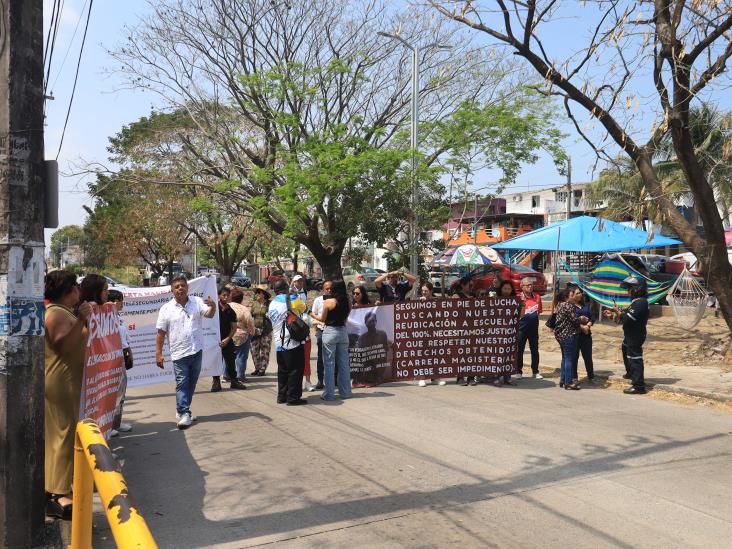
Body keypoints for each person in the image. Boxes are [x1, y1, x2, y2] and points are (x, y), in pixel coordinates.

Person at [44, 270, 92, 520]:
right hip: (60, 380)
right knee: (62, 434)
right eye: (75, 287)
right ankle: (56, 493)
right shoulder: (55, 314)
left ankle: (61, 486)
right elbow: (63, 345)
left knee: (67, 431)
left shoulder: (64, 312)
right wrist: (82, 321)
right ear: (67, 291)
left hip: (68, 380)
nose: (79, 291)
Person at [155, 276, 216, 428]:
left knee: (192, 383)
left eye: (183, 285)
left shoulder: (196, 302)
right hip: (178, 352)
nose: (180, 288)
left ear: (187, 288)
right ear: (172, 290)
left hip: (196, 350)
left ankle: (183, 410)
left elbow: (209, 314)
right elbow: (160, 333)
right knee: (182, 383)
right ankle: (184, 413)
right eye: (177, 287)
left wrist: (213, 306)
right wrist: (159, 353)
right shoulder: (166, 309)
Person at [604, 276, 649, 395]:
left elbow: (628, 319)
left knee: (635, 358)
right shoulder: (636, 302)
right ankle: (631, 373)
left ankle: (639, 385)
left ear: (637, 289)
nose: (628, 291)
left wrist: (618, 312)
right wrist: (614, 313)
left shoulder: (641, 303)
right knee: (625, 349)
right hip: (630, 334)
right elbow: (625, 316)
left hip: (636, 335)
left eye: (630, 288)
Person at [310, 279, 353, 401]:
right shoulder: (348, 301)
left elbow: (322, 319)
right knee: (344, 364)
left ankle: (329, 394)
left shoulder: (329, 301)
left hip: (330, 331)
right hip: (343, 331)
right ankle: (345, 392)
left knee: (329, 364)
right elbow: (346, 316)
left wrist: (311, 314)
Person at [268, 280, 308, 405]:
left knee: (283, 371)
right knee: (295, 370)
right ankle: (293, 398)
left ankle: (282, 396)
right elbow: (304, 308)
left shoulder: (272, 303)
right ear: (286, 289)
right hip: (292, 342)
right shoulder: (291, 298)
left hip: (279, 343)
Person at [211, 285, 247, 392]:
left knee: (231, 361)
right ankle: (216, 382)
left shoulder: (231, 311)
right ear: (219, 296)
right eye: (224, 295)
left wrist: (227, 339)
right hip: (215, 341)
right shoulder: (214, 309)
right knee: (216, 362)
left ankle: (234, 381)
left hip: (227, 340)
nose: (226, 297)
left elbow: (234, 327)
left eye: (228, 295)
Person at [108, 289, 133, 437]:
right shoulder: (107, 317)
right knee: (113, 391)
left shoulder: (119, 316)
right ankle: (109, 425)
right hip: (112, 357)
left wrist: (130, 351)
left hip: (122, 355)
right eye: (121, 300)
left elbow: (124, 337)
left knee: (121, 391)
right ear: (116, 301)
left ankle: (117, 423)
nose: (122, 303)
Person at [491, 280, 520, 387]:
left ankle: (507, 377)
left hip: (510, 333)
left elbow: (520, 316)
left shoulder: (515, 302)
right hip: (497, 333)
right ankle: (496, 377)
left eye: (509, 289)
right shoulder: (495, 300)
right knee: (497, 354)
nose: (507, 291)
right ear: (501, 289)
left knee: (508, 355)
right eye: (505, 288)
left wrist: (523, 305)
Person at [418, 282, 446, 387]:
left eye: (426, 290)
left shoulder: (436, 301)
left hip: (434, 332)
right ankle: (422, 377)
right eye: (423, 290)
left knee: (435, 355)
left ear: (431, 291)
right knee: (423, 355)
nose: (424, 292)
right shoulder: (419, 301)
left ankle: (435, 377)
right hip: (422, 333)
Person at [553, 289, 581, 390]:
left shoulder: (560, 305)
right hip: (568, 335)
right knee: (569, 358)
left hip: (560, 335)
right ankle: (568, 382)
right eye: (572, 295)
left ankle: (563, 380)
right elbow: (575, 320)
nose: (573, 296)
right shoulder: (568, 306)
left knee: (565, 358)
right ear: (566, 297)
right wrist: (581, 319)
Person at [291, 274, 315, 392]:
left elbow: (306, 309)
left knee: (306, 357)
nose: (299, 283)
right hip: (293, 326)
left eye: (301, 281)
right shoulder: (290, 294)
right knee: (294, 359)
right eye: (297, 281)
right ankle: (296, 383)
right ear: (293, 282)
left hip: (304, 326)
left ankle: (308, 381)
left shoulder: (304, 292)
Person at [516, 278, 542, 380]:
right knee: (520, 350)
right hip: (521, 328)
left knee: (535, 350)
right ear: (522, 287)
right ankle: (518, 371)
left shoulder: (537, 297)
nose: (530, 286)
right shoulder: (518, 297)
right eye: (527, 285)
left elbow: (538, 312)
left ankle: (535, 371)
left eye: (531, 285)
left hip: (533, 328)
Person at [452, 277, 476, 385]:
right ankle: (460, 377)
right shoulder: (456, 296)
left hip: (472, 329)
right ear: (462, 285)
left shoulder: (474, 296)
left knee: (472, 354)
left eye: (472, 285)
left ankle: (471, 377)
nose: (471, 287)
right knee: (461, 354)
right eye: (469, 285)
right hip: (460, 329)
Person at [228, 287, 255, 382]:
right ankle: (240, 376)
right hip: (242, 335)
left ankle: (226, 375)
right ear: (241, 298)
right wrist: (252, 333)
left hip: (227, 335)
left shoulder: (226, 306)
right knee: (241, 356)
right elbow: (250, 322)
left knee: (227, 356)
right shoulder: (244, 309)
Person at [311, 279, 333, 390]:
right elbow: (313, 314)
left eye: (330, 289)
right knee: (321, 356)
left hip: (333, 330)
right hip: (321, 330)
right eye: (327, 289)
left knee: (333, 356)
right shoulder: (318, 300)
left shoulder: (336, 300)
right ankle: (320, 380)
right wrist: (317, 325)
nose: (329, 290)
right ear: (323, 290)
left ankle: (334, 380)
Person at [570, 286, 595, 382]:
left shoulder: (586, 305)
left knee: (588, 357)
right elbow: (571, 320)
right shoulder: (570, 306)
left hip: (586, 335)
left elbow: (592, 316)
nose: (580, 295)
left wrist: (588, 326)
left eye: (580, 293)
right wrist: (581, 326)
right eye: (577, 293)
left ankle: (591, 376)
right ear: (572, 295)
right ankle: (574, 377)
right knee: (574, 357)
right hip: (575, 335)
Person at [249, 286, 273, 376]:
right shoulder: (254, 304)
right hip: (255, 330)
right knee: (254, 350)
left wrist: (269, 315)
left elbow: (274, 315)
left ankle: (262, 369)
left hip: (266, 330)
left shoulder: (270, 304)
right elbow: (250, 316)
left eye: (259, 292)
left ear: (264, 294)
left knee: (265, 350)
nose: (256, 294)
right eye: (256, 293)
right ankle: (257, 368)